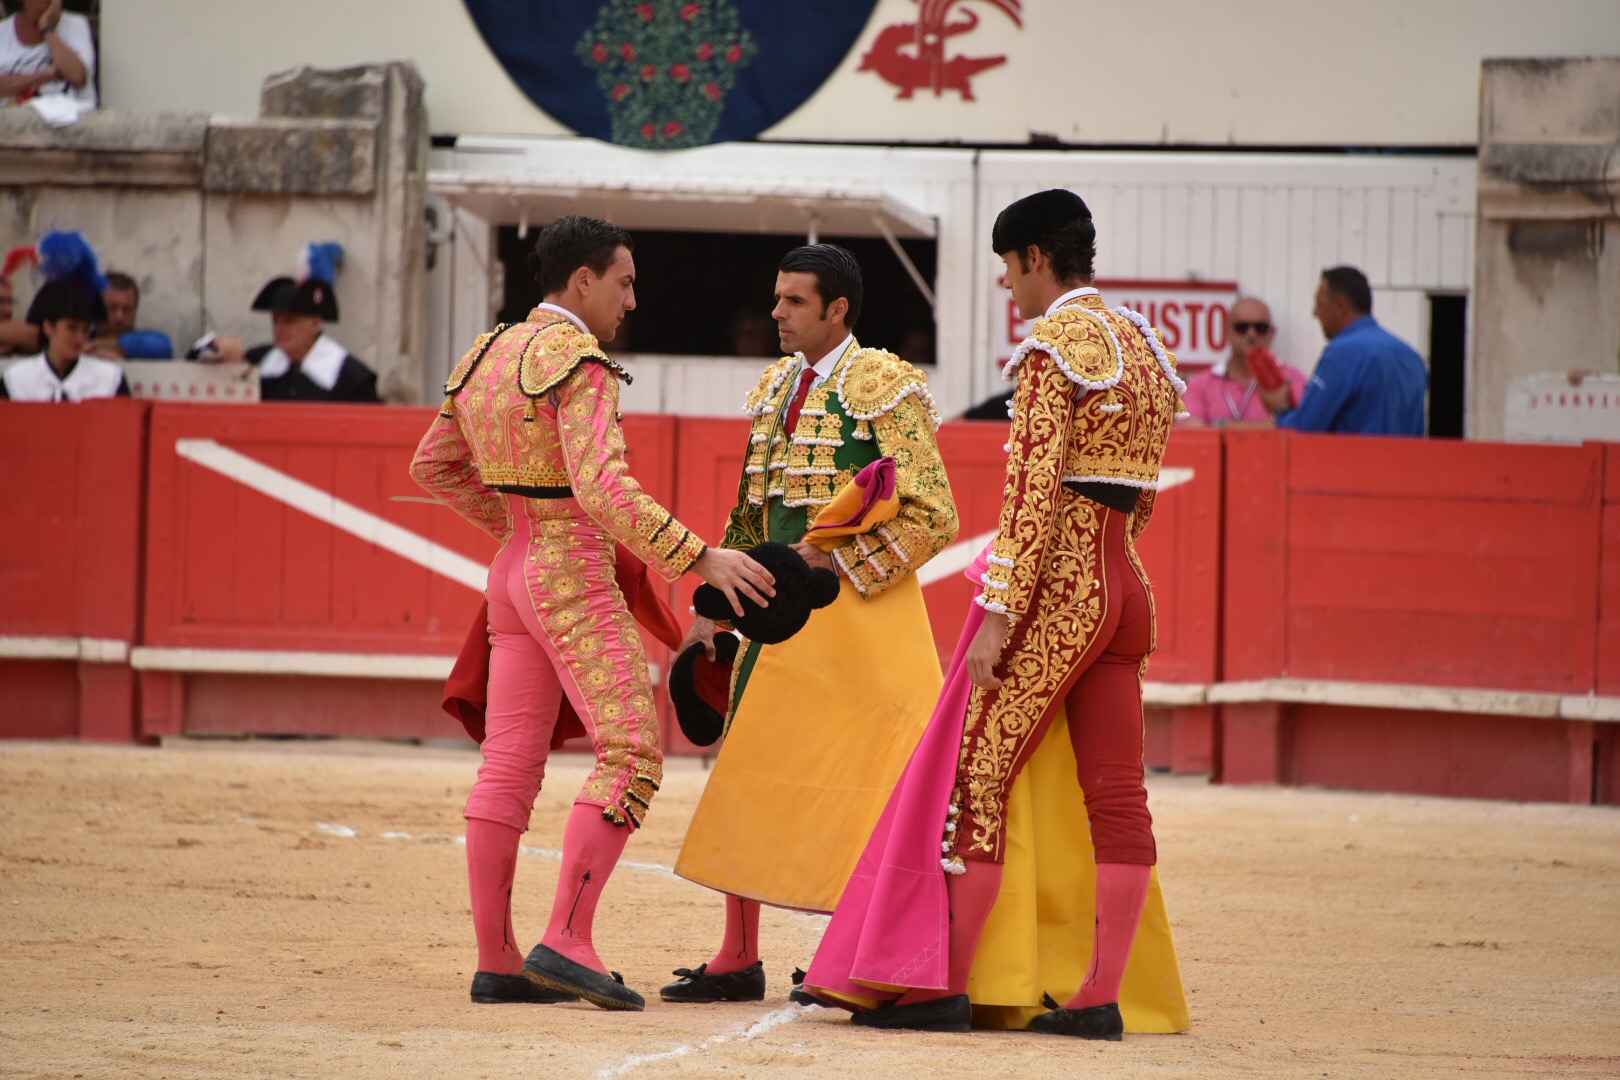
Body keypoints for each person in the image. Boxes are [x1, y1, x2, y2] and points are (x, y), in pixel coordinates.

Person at [805, 189, 1190, 1039]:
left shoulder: (1055, 348)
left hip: (1059, 596)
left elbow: (1032, 493)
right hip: (1126, 587)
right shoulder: (1144, 349)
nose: (1009, 287)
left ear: (1035, 260)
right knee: (1119, 798)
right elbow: (1140, 493)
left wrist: (997, 610)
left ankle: (940, 984)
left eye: (1008, 269)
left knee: (977, 782)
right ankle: (1098, 996)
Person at [409, 214, 775, 1011]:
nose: (632, 300)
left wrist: (516, 527)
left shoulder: (486, 352)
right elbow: (604, 492)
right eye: (625, 281)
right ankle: (567, 937)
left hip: (511, 576)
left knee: (508, 763)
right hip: (570, 573)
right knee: (634, 750)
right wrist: (699, 557)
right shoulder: (580, 363)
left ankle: (498, 960)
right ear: (583, 281)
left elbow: (432, 463)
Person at [663, 244, 959, 1004]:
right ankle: (737, 956)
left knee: (867, 786)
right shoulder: (772, 388)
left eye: (794, 302)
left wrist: (832, 569)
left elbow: (934, 512)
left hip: (864, 618)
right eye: (776, 298)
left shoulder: (883, 384)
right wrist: (713, 610)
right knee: (753, 772)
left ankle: (848, 955)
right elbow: (750, 515)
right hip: (777, 620)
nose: (776, 314)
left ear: (838, 311)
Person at [1261, 266, 1427, 435]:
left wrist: (1281, 410)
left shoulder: (1342, 352)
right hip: (1404, 460)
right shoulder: (1412, 357)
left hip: (1353, 460)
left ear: (1340, 306)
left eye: (1320, 304)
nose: (1315, 313)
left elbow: (1305, 428)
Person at [1179, 296, 1306, 426]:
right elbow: (1193, 433)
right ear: (1227, 331)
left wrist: (1223, 426)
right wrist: (1274, 425)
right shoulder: (1200, 384)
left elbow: (1301, 427)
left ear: (1271, 333)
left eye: (1260, 328)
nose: (1251, 334)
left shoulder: (1291, 378)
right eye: (1242, 327)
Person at [1, 273, 127, 401]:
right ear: (48, 327)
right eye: (72, 328)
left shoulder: (109, 378)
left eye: (85, 330)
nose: (80, 338)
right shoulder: (16, 380)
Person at [0, 0, 96, 107]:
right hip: (12, 119)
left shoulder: (75, 24)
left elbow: (77, 76)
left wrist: (47, 29)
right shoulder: (3, 31)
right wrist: (42, 76)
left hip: (69, 119)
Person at [84, 272, 175, 360]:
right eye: (111, 308)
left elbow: (163, 347)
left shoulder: (143, 348)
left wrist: (117, 345)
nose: (119, 317)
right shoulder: (79, 341)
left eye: (127, 310)